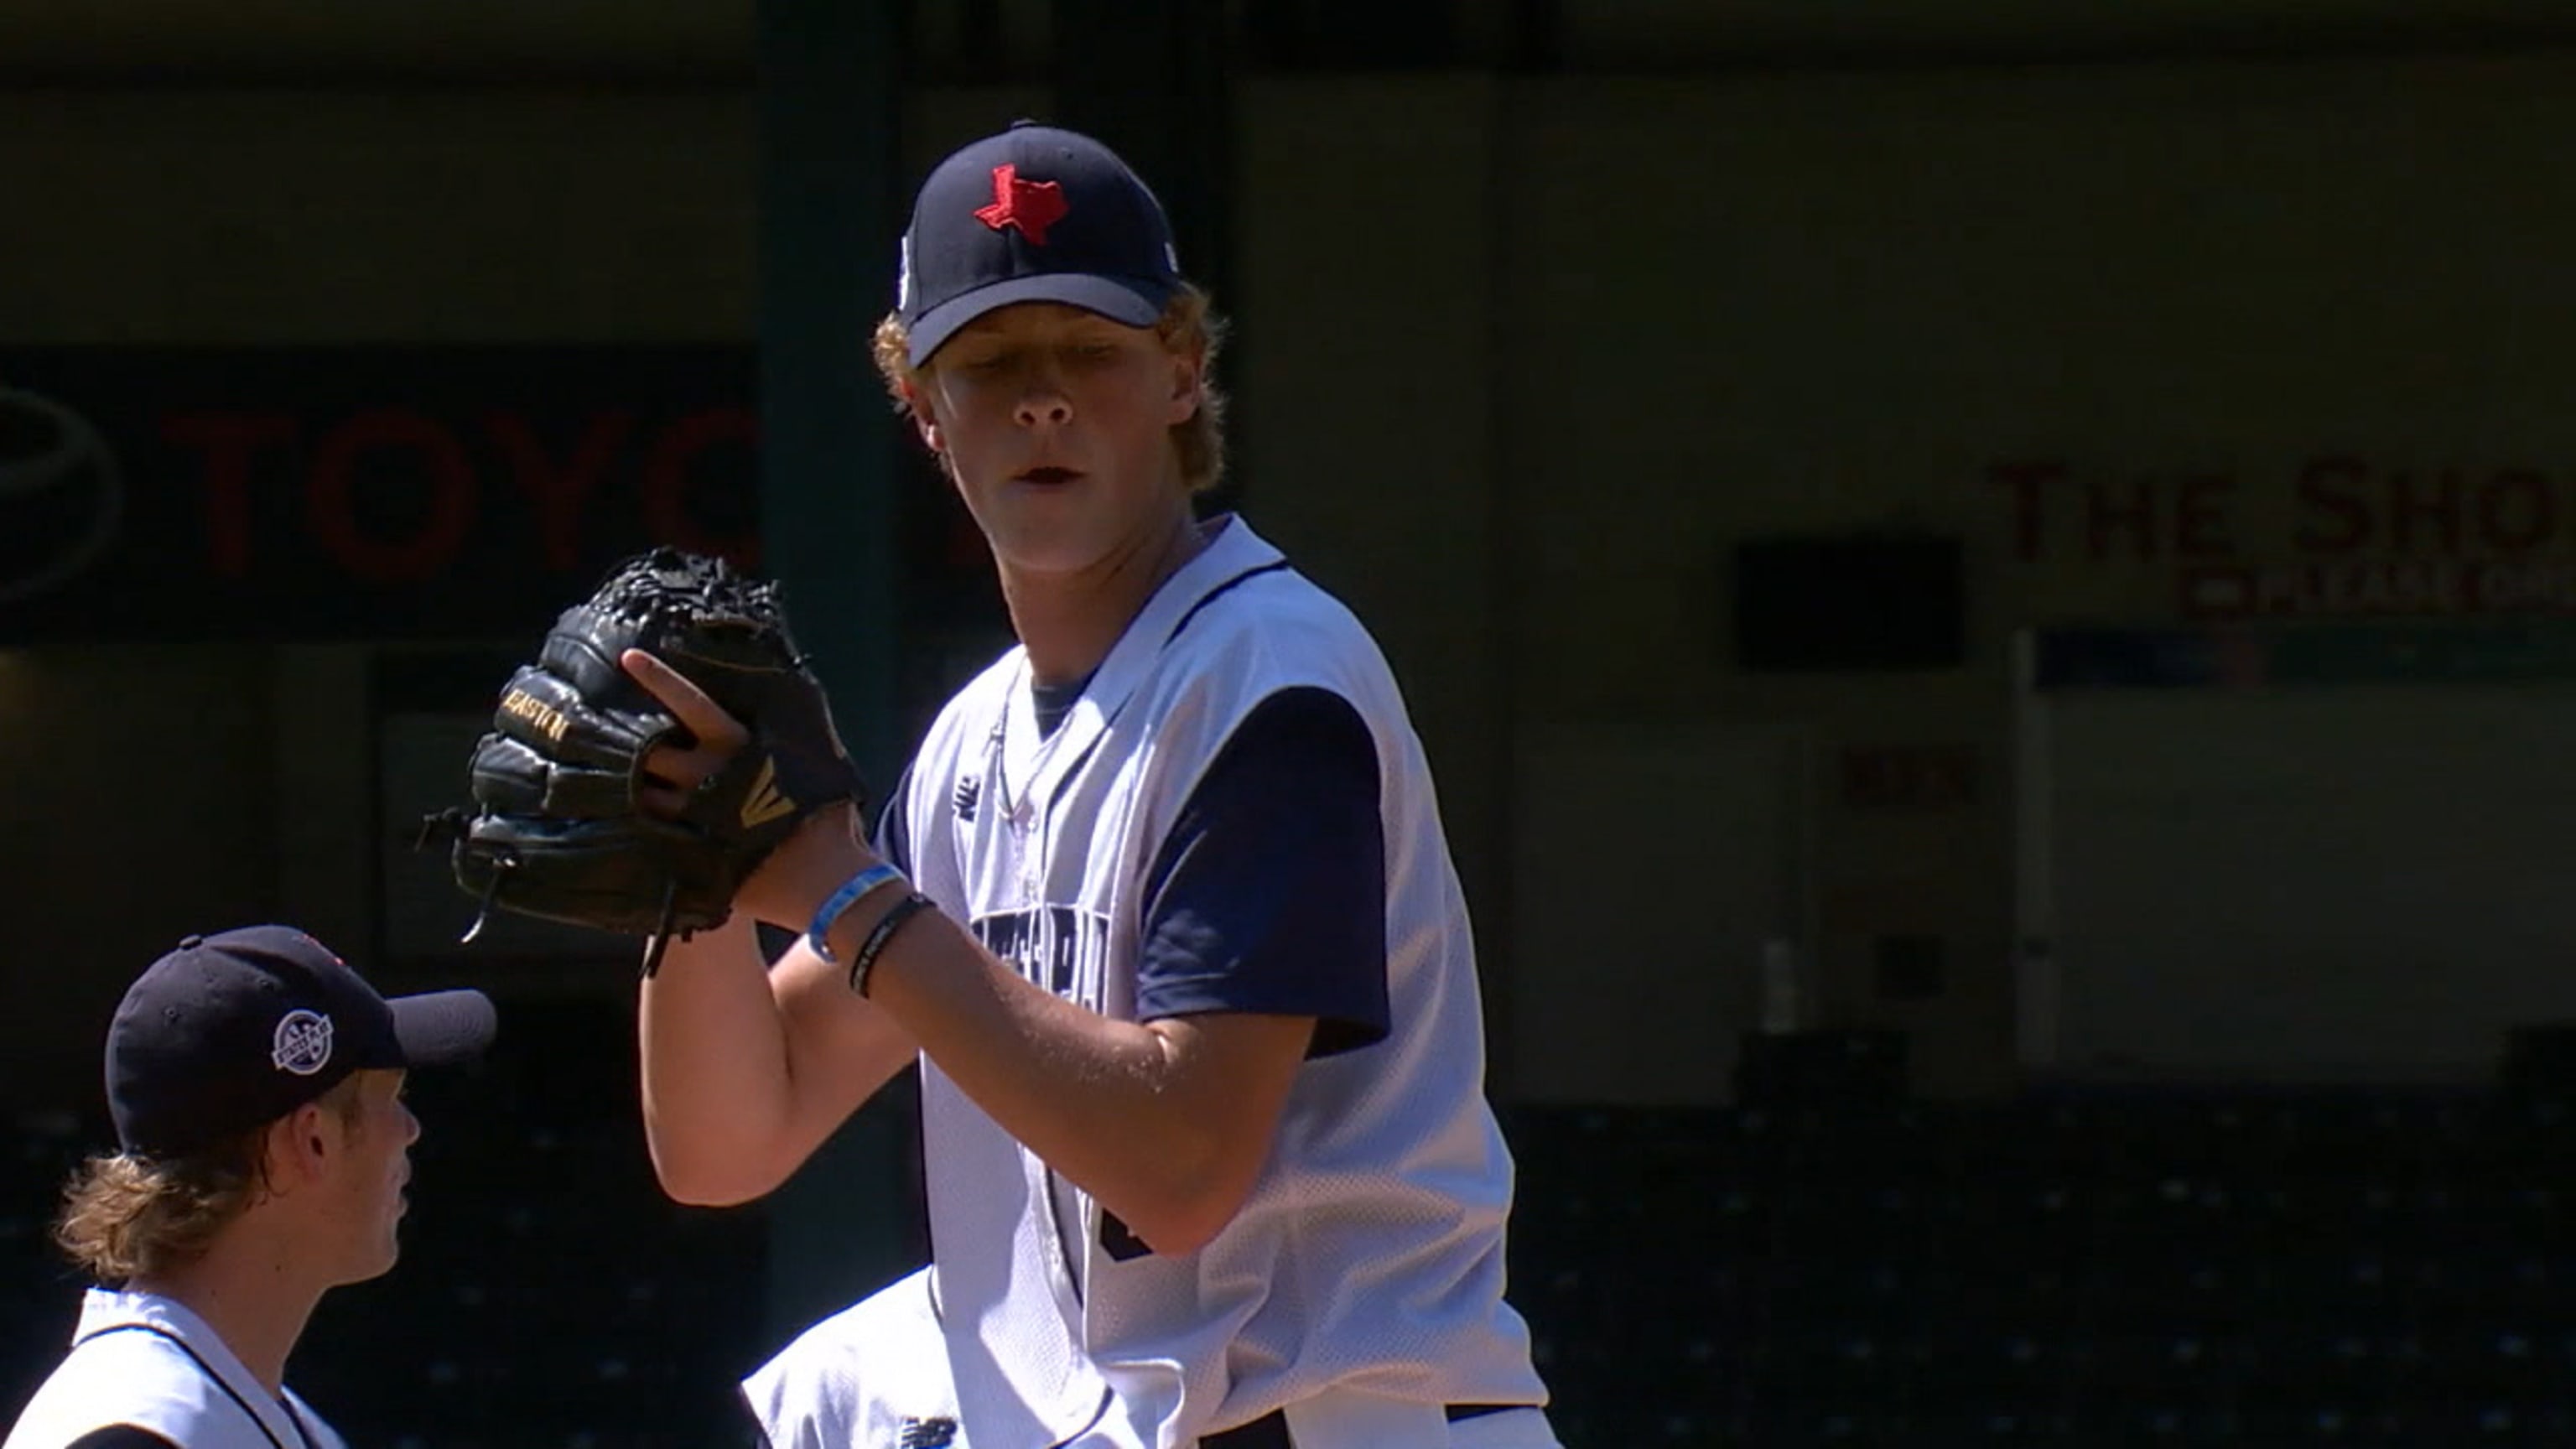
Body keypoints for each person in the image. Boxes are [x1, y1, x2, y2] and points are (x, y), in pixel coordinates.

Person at [626, 119, 1558, 1449]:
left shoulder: (1268, 679)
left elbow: (1181, 1166)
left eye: (1092, 351)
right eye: (992, 361)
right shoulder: (975, 741)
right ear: (923, 412)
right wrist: (694, 875)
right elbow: (731, 1140)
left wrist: (854, 901)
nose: (1043, 398)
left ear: (1182, 374)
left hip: (1347, 1422)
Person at [5, 927, 497, 1449]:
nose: (410, 1128)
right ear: (312, 1141)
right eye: (391, 1096)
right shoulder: (136, 1424)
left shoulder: (243, 1410)